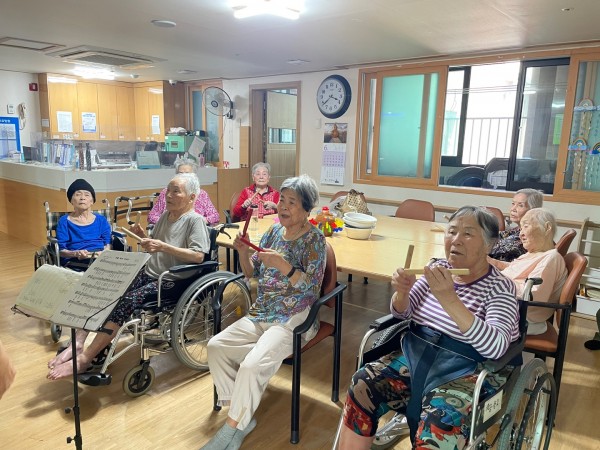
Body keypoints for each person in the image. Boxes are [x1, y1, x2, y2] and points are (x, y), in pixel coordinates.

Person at [339, 206, 519, 449]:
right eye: (451, 231)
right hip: (416, 354)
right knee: (363, 385)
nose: (456, 240)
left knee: (438, 426)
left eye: (468, 233)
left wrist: (449, 299)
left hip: (468, 368)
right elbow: (402, 313)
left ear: (489, 245)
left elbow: (495, 348)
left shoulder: (501, 288)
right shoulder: (436, 269)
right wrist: (402, 293)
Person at [202, 174, 326, 450]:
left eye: (292, 202)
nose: (283, 206)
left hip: (295, 317)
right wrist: (243, 253)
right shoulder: (273, 232)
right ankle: (241, 416)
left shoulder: (314, 240)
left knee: (250, 366)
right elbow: (252, 273)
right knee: (216, 347)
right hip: (263, 311)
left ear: (307, 209)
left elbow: (312, 289)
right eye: (282, 200)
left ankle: (231, 428)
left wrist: (284, 266)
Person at [47, 173, 211, 379]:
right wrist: (143, 236)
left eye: (175, 191)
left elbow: (198, 255)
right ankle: (78, 342)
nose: (168, 195)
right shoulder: (165, 216)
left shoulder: (195, 221)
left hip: (173, 280)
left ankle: (85, 358)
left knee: (127, 301)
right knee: (109, 289)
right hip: (151, 272)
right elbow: (156, 246)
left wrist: (163, 246)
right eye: (167, 190)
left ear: (192, 197)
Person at [495, 208, 567, 335]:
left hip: (520, 315)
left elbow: (532, 294)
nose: (520, 234)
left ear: (547, 228)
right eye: (521, 228)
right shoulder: (535, 253)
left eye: (526, 227)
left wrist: (493, 283)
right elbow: (515, 269)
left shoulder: (551, 258)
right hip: (506, 306)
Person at [57, 178, 112, 268]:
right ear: (71, 200)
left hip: (101, 258)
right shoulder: (64, 221)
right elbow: (61, 250)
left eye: (87, 195)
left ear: (92, 201)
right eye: (78, 194)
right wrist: (75, 253)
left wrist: (103, 253)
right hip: (75, 260)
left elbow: (108, 244)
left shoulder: (101, 220)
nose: (82, 198)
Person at [148, 158, 220, 225]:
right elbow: (152, 216)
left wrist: (199, 221)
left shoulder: (201, 194)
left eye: (188, 174)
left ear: (194, 176)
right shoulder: (166, 192)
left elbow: (215, 216)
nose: (184, 176)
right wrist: (168, 223)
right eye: (180, 173)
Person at [488, 188, 543, 265]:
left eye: (520, 205)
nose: (513, 209)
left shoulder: (528, 237)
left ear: (533, 210)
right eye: (513, 204)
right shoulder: (516, 229)